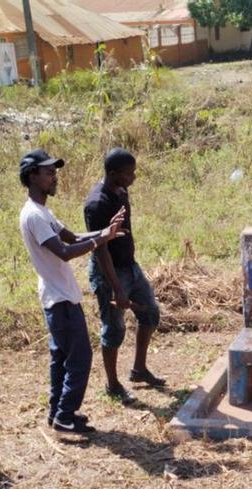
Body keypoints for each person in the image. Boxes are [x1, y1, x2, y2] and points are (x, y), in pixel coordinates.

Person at [18, 149, 126, 434]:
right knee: (79, 359)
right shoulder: (34, 216)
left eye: (55, 172)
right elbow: (65, 252)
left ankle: (58, 413)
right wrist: (100, 239)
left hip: (61, 296)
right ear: (32, 176)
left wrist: (105, 232)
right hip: (60, 300)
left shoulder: (43, 211)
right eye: (49, 173)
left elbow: (75, 237)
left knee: (61, 359)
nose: (55, 178)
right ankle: (66, 414)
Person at [84, 148, 165, 403]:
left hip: (130, 266)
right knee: (114, 329)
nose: (134, 178)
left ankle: (139, 369)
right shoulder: (97, 203)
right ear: (113, 174)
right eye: (129, 173)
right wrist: (117, 288)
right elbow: (101, 250)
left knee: (150, 313)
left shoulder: (121, 190)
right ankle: (112, 384)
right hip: (110, 272)